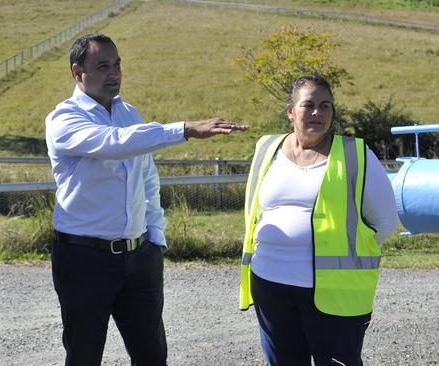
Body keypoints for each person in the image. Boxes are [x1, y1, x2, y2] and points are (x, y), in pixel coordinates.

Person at [45, 33, 248, 366]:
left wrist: (154, 238)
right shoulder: (64, 119)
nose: (114, 73)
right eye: (103, 66)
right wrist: (182, 129)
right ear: (76, 72)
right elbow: (115, 142)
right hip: (84, 259)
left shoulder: (130, 114)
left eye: (117, 64)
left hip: (139, 258)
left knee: (152, 355)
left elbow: (148, 180)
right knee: (84, 355)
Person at [238, 74, 398, 365]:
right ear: (290, 111)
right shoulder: (266, 148)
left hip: (334, 293)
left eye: (326, 106)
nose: (317, 113)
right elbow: (256, 210)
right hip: (270, 284)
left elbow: (384, 222)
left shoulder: (356, 154)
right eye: (308, 105)